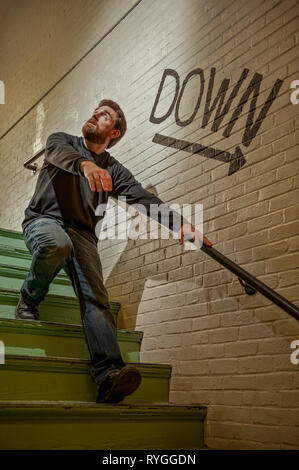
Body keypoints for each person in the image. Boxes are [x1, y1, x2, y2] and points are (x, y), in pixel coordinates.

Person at [15, 99, 213, 403]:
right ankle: (29, 300)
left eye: (104, 116)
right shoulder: (61, 141)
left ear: (115, 133)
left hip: (83, 234)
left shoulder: (115, 170)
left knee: (98, 297)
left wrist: (182, 226)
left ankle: (108, 374)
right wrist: (85, 164)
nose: (95, 115)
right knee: (57, 244)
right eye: (95, 111)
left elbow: (144, 199)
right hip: (44, 220)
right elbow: (60, 155)